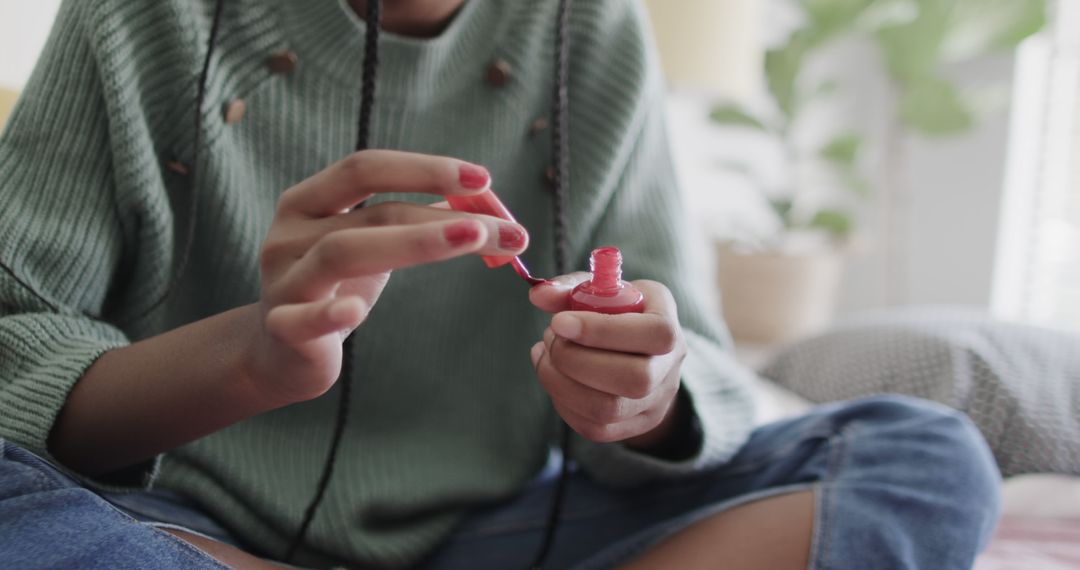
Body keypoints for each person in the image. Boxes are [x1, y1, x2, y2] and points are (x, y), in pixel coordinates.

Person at [0, 0, 1002, 568]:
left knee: (920, 458)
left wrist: (644, 399)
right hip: (191, 530)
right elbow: (14, 364)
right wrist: (255, 359)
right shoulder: (140, 18)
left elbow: (691, 362)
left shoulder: (590, 30)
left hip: (501, 536)